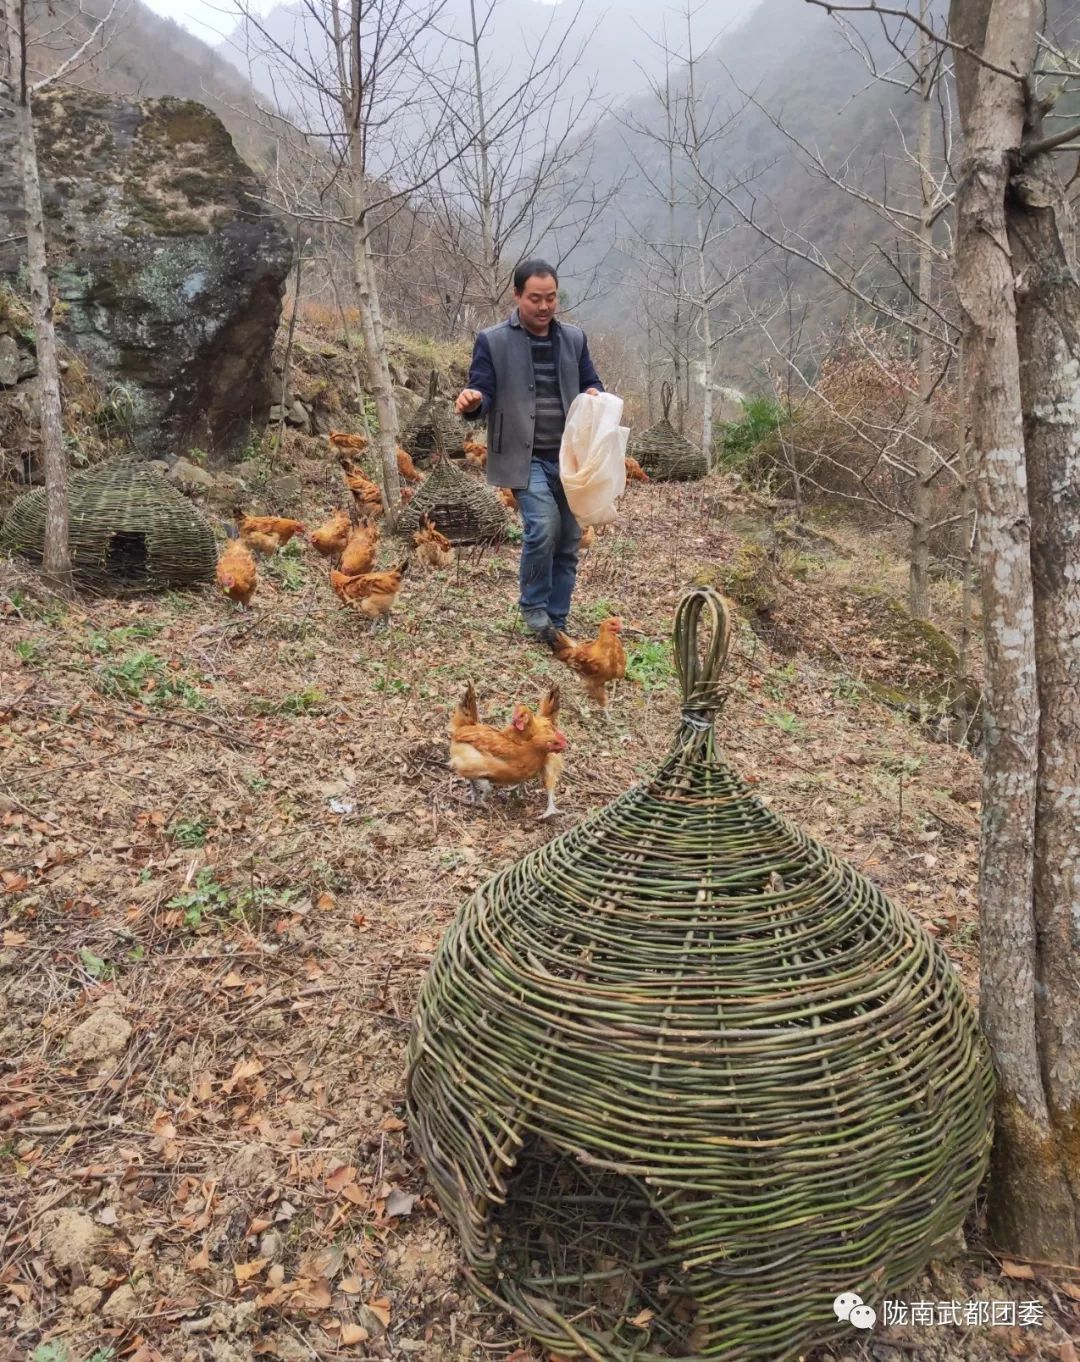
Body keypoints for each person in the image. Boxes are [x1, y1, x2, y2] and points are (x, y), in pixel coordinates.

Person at [455, 259, 603, 645]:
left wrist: (592, 394)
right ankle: (534, 609)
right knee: (543, 527)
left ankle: (557, 617)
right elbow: (482, 392)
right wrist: (472, 400)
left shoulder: (574, 338)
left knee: (570, 536)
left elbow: (592, 383)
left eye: (551, 298)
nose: (544, 307)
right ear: (517, 295)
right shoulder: (493, 340)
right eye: (535, 298)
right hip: (524, 457)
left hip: (570, 460)